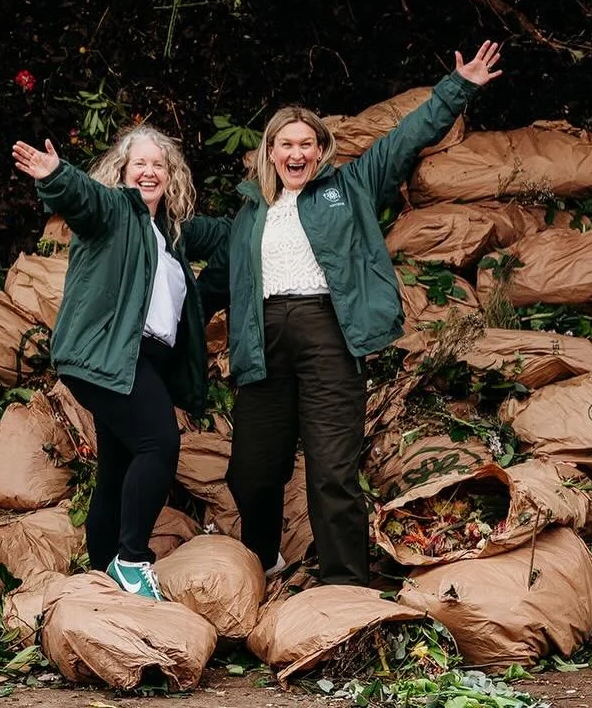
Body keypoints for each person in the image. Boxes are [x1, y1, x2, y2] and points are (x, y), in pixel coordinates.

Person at [206, 40, 503, 586]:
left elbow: (406, 138)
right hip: (261, 343)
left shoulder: (351, 186)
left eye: (306, 144)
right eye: (285, 144)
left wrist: (458, 87)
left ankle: (344, 584)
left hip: (328, 337)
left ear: (321, 151)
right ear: (270, 152)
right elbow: (214, 284)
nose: (296, 154)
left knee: (332, 471)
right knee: (250, 471)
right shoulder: (250, 214)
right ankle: (263, 561)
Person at [12, 126, 229, 600]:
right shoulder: (114, 212)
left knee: (117, 465)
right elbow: (83, 198)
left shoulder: (171, 235)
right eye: (140, 163)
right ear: (123, 171)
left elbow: (229, 235)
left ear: (170, 178)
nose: (149, 171)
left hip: (137, 361)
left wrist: (270, 218)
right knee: (159, 443)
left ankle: (102, 573)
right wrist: (56, 175)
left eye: (159, 165)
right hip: (108, 354)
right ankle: (132, 559)